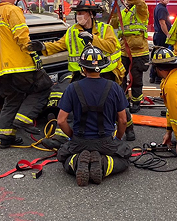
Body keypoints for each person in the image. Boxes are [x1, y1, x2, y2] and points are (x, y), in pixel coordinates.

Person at [29, 0, 136, 142]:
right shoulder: (73, 31)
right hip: (82, 74)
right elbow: (60, 45)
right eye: (78, 13)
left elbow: (112, 46)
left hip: (106, 73)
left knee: (114, 103)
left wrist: (92, 38)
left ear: (91, 14)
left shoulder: (106, 29)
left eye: (83, 13)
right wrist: (43, 47)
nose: (79, 16)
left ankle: (128, 128)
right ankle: (61, 138)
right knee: (74, 103)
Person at [0, 0, 53, 148]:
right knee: (44, 87)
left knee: (12, 99)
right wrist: (33, 53)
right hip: (20, 66)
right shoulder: (13, 10)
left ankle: (6, 138)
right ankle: (24, 119)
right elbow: (22, 36)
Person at [56, 45, 132, 186]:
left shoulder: (73, 88)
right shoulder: (114, 87)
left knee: (62, 156)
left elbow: (61, 121)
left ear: (83, 68)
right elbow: (123, 120)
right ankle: (103, 163)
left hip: (79, 141)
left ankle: (77, 161)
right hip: (105, 141)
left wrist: (73, 136)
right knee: (126, 156)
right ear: (102, 67)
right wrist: (118, 139)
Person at [109, 0, 150, 113]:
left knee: (136, 78)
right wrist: (115, 12)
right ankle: (124, 101)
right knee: (121, 77)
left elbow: (139, 2)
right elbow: (114, 25)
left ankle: (136, 102)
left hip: (139, 51)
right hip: (124, 51)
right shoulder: (124, 12)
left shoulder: (141, 9)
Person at [150, 0, 172, 84]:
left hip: (158, 34)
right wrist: (168, 35)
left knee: (156, 55)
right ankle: (158, 78)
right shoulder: (162, 9)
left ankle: (153, 76)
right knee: (162, 57)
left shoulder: (158, 7)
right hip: (161, 36)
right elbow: (162, 23)